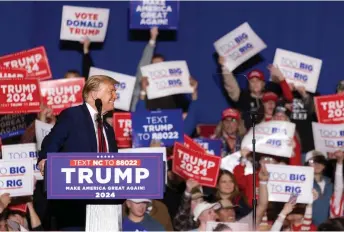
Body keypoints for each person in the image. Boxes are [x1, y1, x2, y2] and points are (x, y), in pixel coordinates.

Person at [37, 75, 120, 230]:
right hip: (75, 208)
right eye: (111, 91)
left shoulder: (108, 130)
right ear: (95, 94)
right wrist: (45, 159)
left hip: (105, 208)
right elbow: (52, 140)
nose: (115, 96)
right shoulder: (73, 115)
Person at [305, 150, 333, 226]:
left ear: (324, 165)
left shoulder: (331, 184)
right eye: (313, 161)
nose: (317, 164)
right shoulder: (303, 183)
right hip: (308, 227)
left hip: (328, 227)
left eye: (320, 161)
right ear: (307, 164)